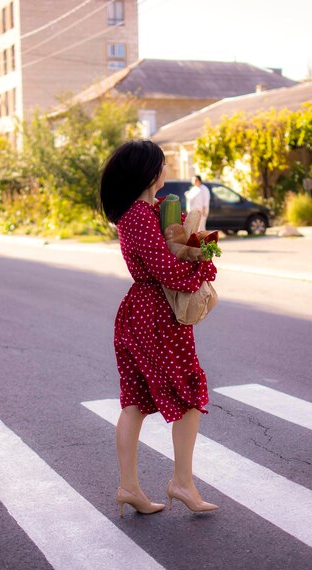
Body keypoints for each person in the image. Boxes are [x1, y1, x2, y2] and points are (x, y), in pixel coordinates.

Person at [100, 140, 219, 517]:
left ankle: (129, 487)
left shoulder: (149, 210)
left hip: (142, 312)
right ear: (150, 172)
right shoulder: (138, 216)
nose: (166, 170)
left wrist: (194, 243)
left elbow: (170, 256)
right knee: (187, 395)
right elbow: (167, 270)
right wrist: (205, 266)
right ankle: (180, 482)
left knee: (135, 400)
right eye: (163, 164)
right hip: (157, 314)